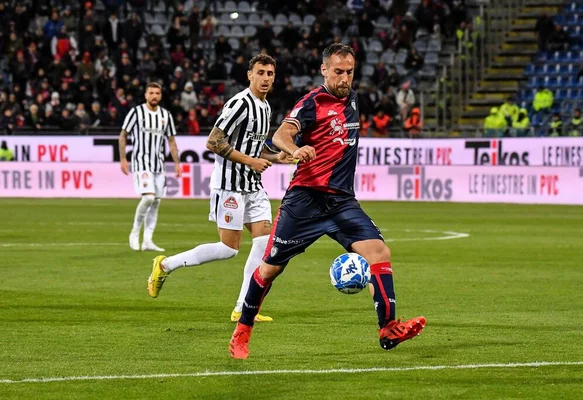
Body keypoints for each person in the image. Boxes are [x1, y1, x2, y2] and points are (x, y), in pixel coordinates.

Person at [228, 43, 426, 360]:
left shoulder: (353, 99)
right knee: (269, 270)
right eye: (338, 72)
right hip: (305, 200)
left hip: (342, 201)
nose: (344, 78)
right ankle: (242, 332)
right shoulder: (312, 102)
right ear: (324, 70)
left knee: (379, 252)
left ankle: (388, 329)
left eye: (349, 72)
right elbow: (280, 135)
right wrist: (295, 150)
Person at [146, 54, 294, 323]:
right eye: (260, 72)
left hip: (253, 186)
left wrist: (276, 157)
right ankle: (165, 265)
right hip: (229, 186)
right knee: (229, 249)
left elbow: (254, 145)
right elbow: (213, 142)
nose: (265, 78)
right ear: (249, 75)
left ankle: (243, 307)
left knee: (263, 244)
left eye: (270, 74)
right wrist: (250, 161)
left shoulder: (265, 107)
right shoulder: (239, 104)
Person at [119, 82, 182, 252]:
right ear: (146, 95)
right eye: (151, 93)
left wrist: (177, 163)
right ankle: (135, 231)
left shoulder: (165, 115)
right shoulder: (137, 112)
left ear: (160, 96)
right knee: (148, 198)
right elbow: (123, 135)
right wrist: (123, 158)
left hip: (159, 165)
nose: (154, 96)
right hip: (141, 163)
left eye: (157, 93)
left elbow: (171, 140)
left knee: (156, 202)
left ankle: (147, 240)